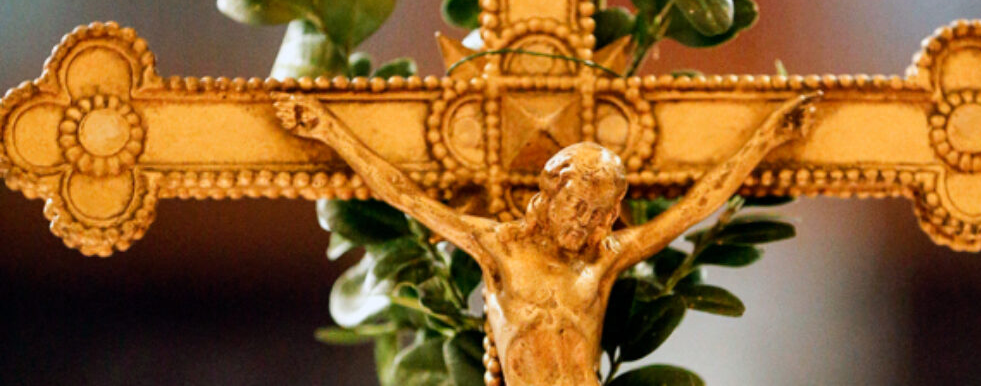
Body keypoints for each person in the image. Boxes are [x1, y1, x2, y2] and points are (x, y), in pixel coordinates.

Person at [274, 93, 817, 386]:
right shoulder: (500, 247)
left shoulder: (604, 259)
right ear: (550, 193)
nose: (584, 223)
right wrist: (328, 131)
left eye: (599, 214)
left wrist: (767, 139)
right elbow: (405, 198)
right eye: (577, 206)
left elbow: (696, 207)